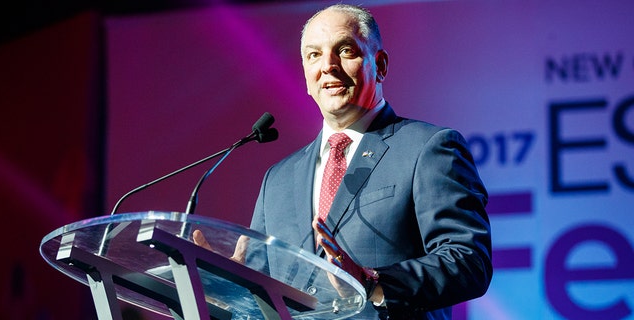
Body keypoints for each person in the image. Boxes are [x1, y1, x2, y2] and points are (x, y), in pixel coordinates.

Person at [199, 4, 492, 319]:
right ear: (306, 77)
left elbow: (467, 260)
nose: (328, 65)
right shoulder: (278, 180)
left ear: (379, 65)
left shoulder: (428, 148)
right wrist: (227, 284)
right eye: (314, 55)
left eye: (345, 51)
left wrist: (371, 282)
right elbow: (261, 295)